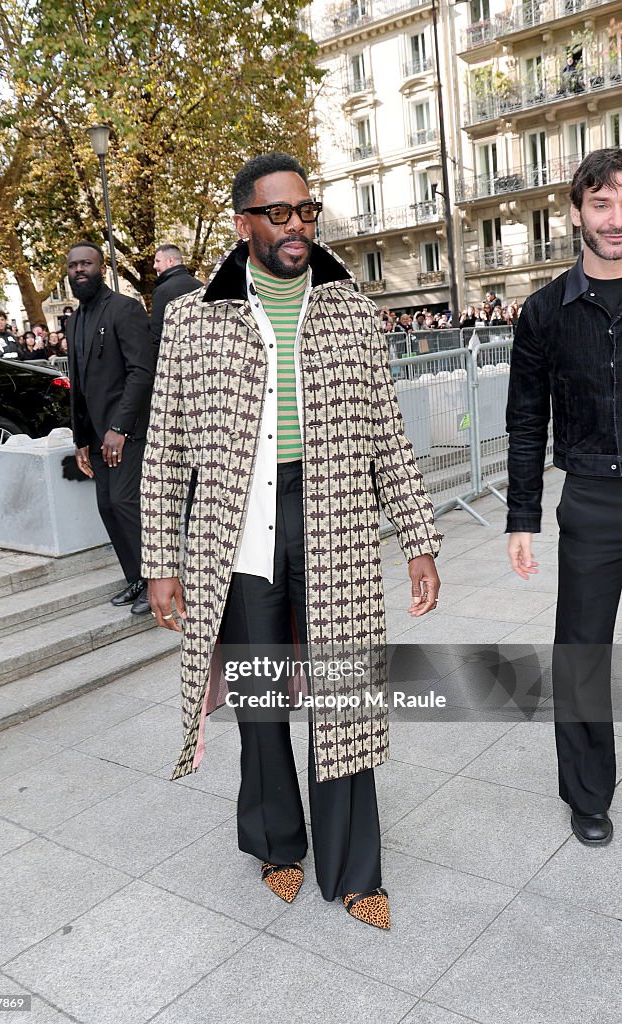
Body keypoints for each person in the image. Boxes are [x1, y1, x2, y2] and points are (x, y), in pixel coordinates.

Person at [141, 152, 442, 930]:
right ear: (242, 222)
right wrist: (160, 562)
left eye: (305, 211)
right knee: (260, 699)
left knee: (345, 698)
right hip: (237, 528)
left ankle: (354, 867)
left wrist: (417, 538)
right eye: (278, 214)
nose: (296, 226)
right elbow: (165, 450)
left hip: (333, 518)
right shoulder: (193, 319)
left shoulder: (350, 310)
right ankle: (276, 843)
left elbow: (386, 434)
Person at [506, 148, 622, 848]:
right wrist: (521, 517)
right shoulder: (544, 312)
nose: (616, 218)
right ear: (576, 212)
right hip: (591, 500)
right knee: (581, 653)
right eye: (601, 203)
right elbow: (526, 420)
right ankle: (587, 793)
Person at [66, 241, 155, 614]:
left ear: (101, 268)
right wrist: (80, 439)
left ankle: (156, 583)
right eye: (73, 265)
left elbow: (142, 372)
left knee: (124, 502)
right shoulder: (74, 320)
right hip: (96, 436)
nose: (79, 270)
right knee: (106, 506)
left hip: (127, 431)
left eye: (86, 263)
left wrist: (119, 427)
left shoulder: (124, 308)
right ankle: (136, 578)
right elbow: (79, 386)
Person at [149, 244, 202, 356]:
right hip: (200, 353)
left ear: (170, 261)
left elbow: (157, 333)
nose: (154, 266)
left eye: (157, 261)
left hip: (174, 355)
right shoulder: (200, 286)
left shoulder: (162, 291)